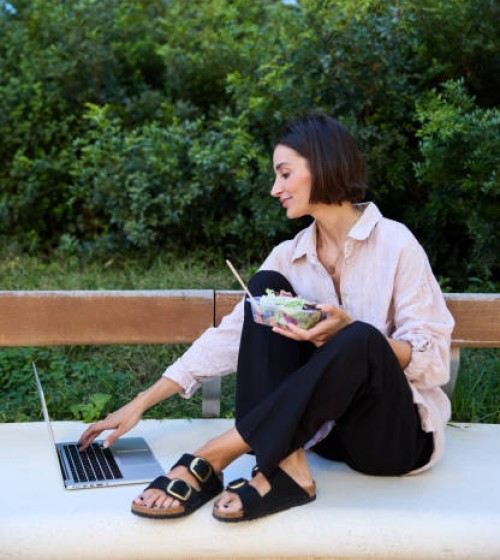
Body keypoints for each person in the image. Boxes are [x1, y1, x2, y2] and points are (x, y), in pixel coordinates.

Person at [79, 114, 454, 522]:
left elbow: (433, 360)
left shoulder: (396, 243)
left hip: (389, 439)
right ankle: (288, 468)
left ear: (324, 164)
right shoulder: (289, 256)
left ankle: (215, 454)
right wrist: (141, 402)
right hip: (321, 435)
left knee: (360, 338)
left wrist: (349, 336)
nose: (275, 189)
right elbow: (229, 338)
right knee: (266, 286)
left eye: (285, 174)